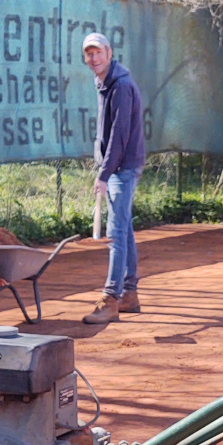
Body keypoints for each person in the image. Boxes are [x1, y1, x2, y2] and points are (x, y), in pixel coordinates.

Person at [80, 31, 145, 325]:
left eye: (97, 52)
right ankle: (129, 293)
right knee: (125, 227)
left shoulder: (120, 86)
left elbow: (119, 135)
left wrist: (104, 174)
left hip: (123, 166)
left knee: (116, 233)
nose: (93, 58)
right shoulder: (105, 82)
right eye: (88, 54)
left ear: (109, 53)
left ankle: (110, 298)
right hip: (119, 164)